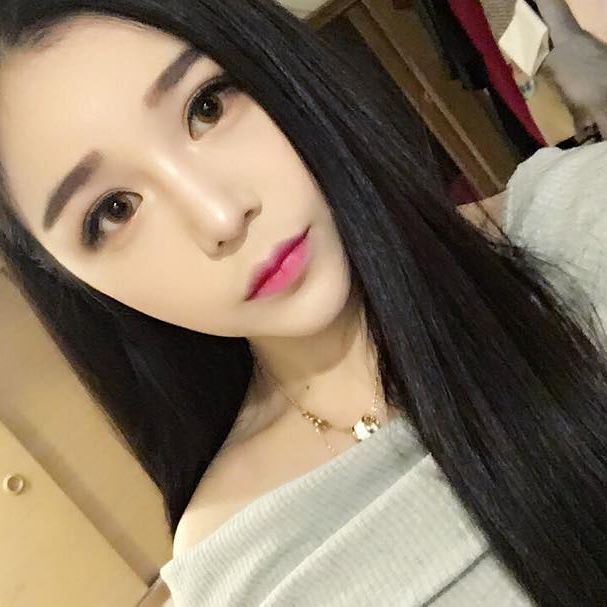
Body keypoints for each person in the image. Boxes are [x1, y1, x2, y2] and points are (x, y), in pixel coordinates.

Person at [0, 2, 606, 605]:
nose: (221, 216)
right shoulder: (243, 568)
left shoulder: (581, 226)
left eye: (206, 107)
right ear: (71, 280)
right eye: (114, 211)